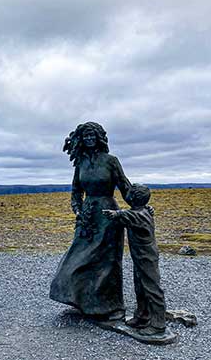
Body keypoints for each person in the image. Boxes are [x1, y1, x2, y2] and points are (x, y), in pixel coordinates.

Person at [49, 122, 132, 320]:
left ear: (99, 137)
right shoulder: (80, 163)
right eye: (85, 136)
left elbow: (125, 187)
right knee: (79, 257)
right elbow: (76, 191)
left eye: (92, 135)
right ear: (81, 139)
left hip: (108, 214)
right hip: (87, 216)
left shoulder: (111, 161)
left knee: (108, 262)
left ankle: (111, 306)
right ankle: (83, 300)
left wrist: (140, 204)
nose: (89, 139)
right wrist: (77, 209)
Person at [103, 184, 166, 335]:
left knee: (152, 288)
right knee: (140, 286)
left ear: (133, 198)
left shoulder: (139, 215)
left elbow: (127, 216)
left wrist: (114, 214)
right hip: (140, 256)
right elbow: (131, 214)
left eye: (129, 193)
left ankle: (158, 324)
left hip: (147, 257)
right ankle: (142, 316)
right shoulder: (144, 210)